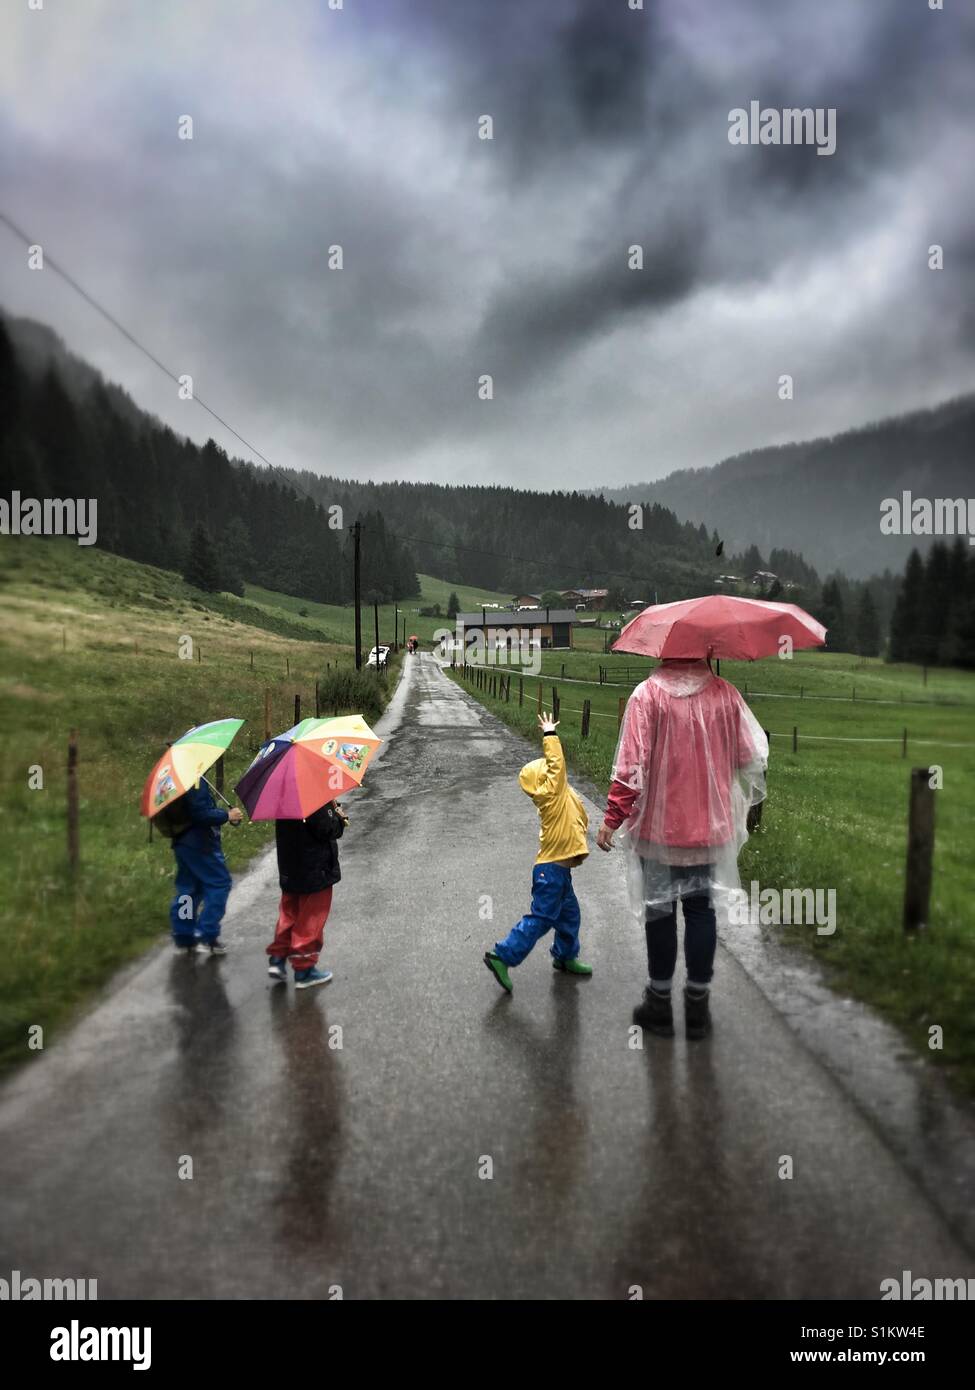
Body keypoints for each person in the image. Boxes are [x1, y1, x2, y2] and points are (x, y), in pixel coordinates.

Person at [596, 658, 767, 1039]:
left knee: (660, 912)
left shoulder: (647, 695)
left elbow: (631, 767)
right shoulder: (725, 695)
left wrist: (613, 816)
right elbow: (747, 757)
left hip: (660, 832)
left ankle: (659, 1002)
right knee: (701, 911)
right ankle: (697, 1008)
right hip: (709, 830)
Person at [484, 711, 591, 992]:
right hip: (551, 871)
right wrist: (549, 734)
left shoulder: (562, 796)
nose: (554, 771)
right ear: (544, 779)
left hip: (560, 872)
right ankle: (502, 955)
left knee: (569, 916)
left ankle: (565, 957)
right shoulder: (550, 796)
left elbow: (578, 815)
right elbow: (557, 766)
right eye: (548, 771)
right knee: (542, 918)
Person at [267, 800, 346, 989]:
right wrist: (339, 818)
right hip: (314, 869)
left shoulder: (284, 796)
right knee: (311, 918)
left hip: (290, 867)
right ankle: (304, 970)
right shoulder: (312, 798)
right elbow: (327, 829)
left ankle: (278, 958)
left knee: (290, 913)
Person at [169, 777, 242, 954]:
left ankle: (184, 934)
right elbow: (200, 813)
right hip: (199, 844)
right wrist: (226, 815)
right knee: (220, 883)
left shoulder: (178, 777)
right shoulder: (194, 779)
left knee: (189, 889)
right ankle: (206, 934)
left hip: (182, 841)